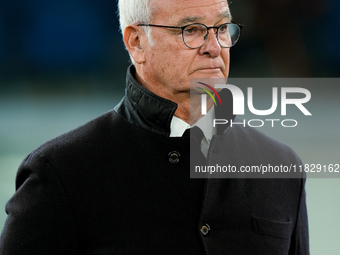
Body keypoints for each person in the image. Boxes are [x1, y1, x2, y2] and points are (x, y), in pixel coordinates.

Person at [0, 0, 309, 254]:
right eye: (192, 30)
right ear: (136, 42)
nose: (214, 47)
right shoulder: (60, 171)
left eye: (221, 29)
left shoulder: (282, 167)